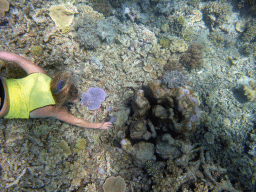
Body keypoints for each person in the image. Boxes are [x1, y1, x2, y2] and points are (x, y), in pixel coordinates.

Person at [0, 52, 112, 130]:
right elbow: (77, 121)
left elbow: (15, 58)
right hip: (3, 106)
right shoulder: (53, 109)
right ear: (65, 99)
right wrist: (99, 125)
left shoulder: (40, 74)